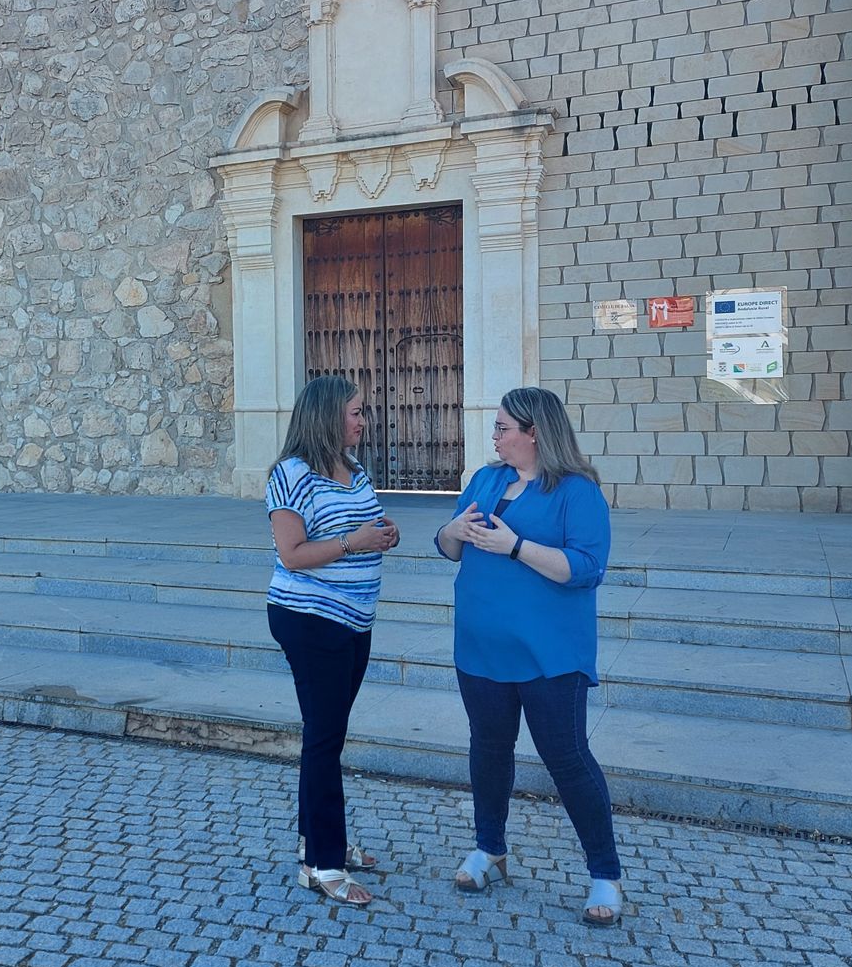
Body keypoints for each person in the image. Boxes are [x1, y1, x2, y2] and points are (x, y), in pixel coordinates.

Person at [434, 386, 623, 926]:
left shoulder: (577, 491)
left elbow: (585, 568)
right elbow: (449, 546)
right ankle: (489, 849)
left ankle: (604, 874)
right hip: (480, 648)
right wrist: (453, 530)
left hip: (550, 654)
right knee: (488, 750)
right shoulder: (486, 479)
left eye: (502, 428)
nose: (494, 436)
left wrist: (515, 546)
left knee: (567, 760)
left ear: (534, 432)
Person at [265, 375, 400, 906]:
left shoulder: (355, 471)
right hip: (310, 619)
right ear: (325, 417)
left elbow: (360, 530)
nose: (363, 421)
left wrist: (382, 534)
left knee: (329, 734)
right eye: (354, 413)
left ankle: (318, 839)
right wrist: (354, 542)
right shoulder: (291, 475)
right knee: (324, 737)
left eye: (362, 411)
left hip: (354, 620)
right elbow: (293, 553)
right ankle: (321, 863)